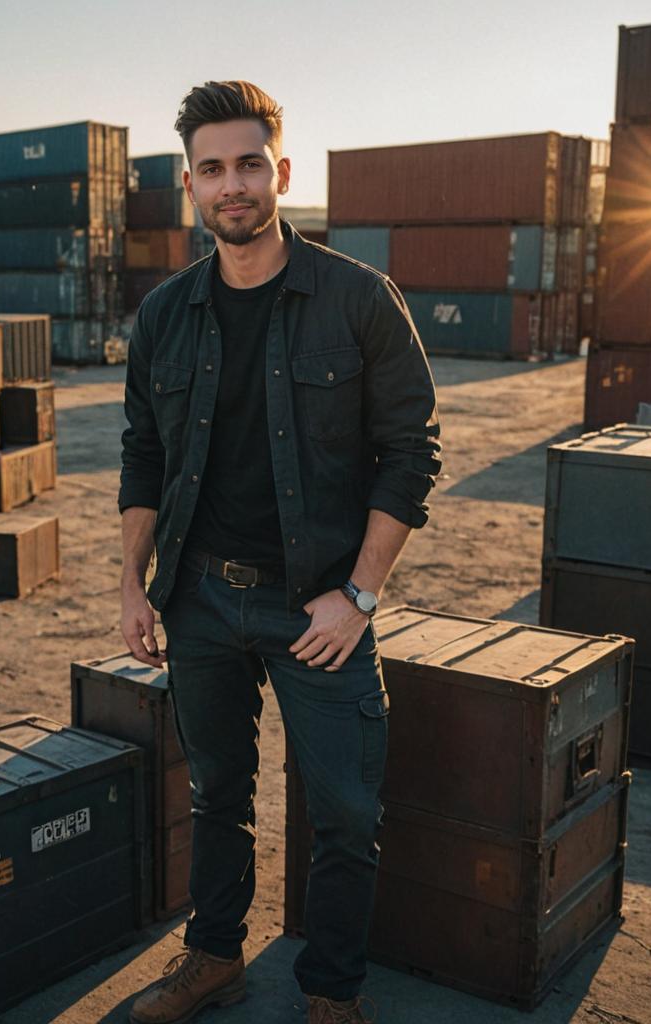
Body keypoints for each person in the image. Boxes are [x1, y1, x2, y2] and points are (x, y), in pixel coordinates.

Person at [118, 80, 440, 1024]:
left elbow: (413, 451)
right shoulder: (164, 315)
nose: (233, 185)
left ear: (281, 172)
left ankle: (332, 993)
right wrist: (133, 590)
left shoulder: (358, 299)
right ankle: (215, 956)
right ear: (191, 185)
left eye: (249, 164)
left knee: (344, 812)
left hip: (320, 608)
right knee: (219, 792)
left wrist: (361, 596)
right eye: (212, 168)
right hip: (199, 602)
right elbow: (143, 454)